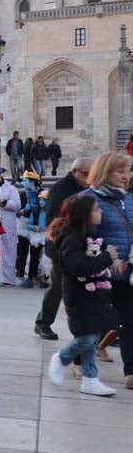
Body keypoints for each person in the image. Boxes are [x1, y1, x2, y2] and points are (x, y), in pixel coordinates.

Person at [46, 193, 125, 397]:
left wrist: (110, 262)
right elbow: (77, 266)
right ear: (85, 214)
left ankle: (90, 379)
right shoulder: (73, 237)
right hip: (80, 295)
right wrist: (107, 257)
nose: (100, 212)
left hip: (95, 295)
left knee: (92, 336)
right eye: (97, 209)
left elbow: (93, 259)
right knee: (86, 337)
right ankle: (62, 358)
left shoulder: (88, 234)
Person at [84, 150, 133, 389]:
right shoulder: (87, 199)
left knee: (130, 320)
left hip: (127, 274)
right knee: (95, 320)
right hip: (100, 273)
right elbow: (79, 238)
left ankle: (131, 372)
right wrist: (106, 258)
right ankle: (78, 360)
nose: (126, 176)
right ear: (105, 171)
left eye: (129, 171)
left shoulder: (129, 199)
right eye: (120, 171)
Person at [35, 157, 93, 340]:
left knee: (91, 289)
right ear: (75, 172)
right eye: (85, 174)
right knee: (58, 287)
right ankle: (43, 323)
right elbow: (52, 219)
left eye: (91, 174)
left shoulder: (88, 188)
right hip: (62, 246)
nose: (88, 177)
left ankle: (99, 330)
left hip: (84, 245)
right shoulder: (61, 188)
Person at [17, 172, 48, 288]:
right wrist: (23, 211)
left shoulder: (43, 194)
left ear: (32, 181)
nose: (23, 183)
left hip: (44, 230)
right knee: (24, 250)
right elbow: (20, 211)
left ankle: (43, 276)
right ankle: (25, 275)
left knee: (45, 254)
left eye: (25, 180)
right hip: (28, 226)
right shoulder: (23, 196)